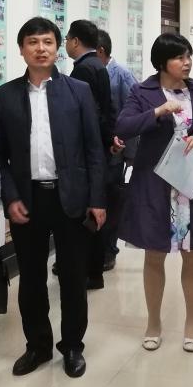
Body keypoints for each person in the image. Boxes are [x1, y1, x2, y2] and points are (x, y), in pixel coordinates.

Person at [0, 17, 107, 378]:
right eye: (32, 42)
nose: (40, 49)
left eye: (47, 42)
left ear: (58, 48)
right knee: (31, 279)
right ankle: (37, 346)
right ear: (21, 49)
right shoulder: (5, 96)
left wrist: (98, 199)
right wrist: (9, 196)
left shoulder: (78, 91)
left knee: (72, 278)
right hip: (28, 200)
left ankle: (72, 346)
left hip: (71, 198)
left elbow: (94, 150)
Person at [115, 33, 193, 353]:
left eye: (188, 56)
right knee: (154, 254)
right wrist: (158, 112)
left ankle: (192, 323)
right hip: (154, 184)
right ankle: (153, 323)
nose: (187, 62)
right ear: (162, 62)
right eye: (179, 57)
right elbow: (124, 126)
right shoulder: (143, 92)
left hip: (190, 184)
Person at [65, 20, 116, 290]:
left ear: (75, 41)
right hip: (100, 146)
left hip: (88, 150)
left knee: (89, 211)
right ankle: (94, 268)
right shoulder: (99, 65)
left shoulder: (83, 70)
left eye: (65, 39)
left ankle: (90, 270)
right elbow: (108, 110)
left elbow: (88, 114)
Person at [96, 30, 138, 271]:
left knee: (113, 201)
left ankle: (109, 251)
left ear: (100, 51)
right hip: (97, 153)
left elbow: (134, 116)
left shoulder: (121, 75)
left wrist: (130, 156)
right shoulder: (91, 72)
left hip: (117, 154)